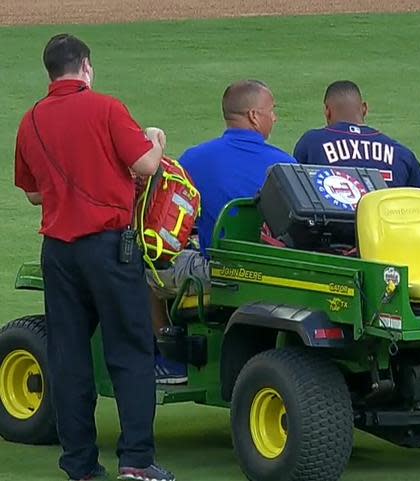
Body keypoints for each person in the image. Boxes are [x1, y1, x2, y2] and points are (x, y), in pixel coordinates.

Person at [14, 34, 174, 481]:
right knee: (130, 351)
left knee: (68, 358)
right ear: (85, 66)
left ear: (51, 71)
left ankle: (80, 465)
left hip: (58, 253)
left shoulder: (31, 121)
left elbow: (30, 193)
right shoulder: (106, 108)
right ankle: (137, 461)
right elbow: (145, 166)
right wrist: (155, 140)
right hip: (109, 249)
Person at [148, 79, 296, 383]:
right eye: (272, 110)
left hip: (217, 273)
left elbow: (172, 224)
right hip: (274, 274)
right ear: (254, 116)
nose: (275, 117)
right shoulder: (287, 164)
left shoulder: (193, 160)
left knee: (145, 268)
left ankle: (169, 357)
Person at [293, 80, 420, 192]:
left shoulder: (312, 143)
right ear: (365, 109)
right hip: (385, 227)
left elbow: (295, 193)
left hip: (332, 228)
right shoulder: (401, 152)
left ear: (327, 111)